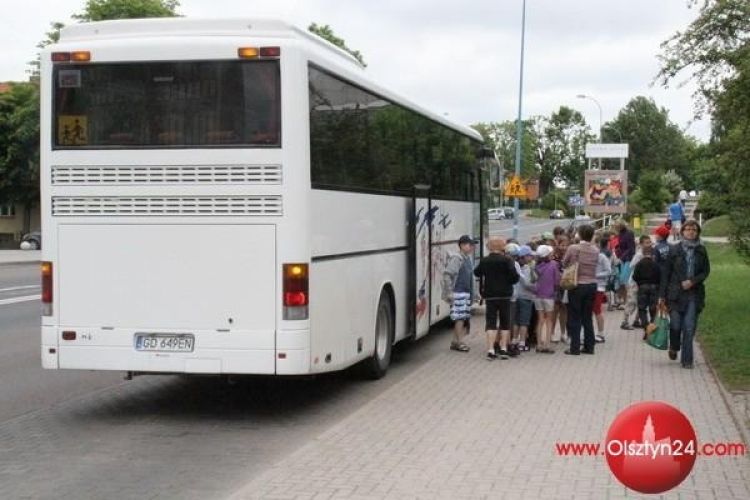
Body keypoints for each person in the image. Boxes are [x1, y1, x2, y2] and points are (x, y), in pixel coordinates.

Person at [659, 220, 711, 369]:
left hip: (694, 294)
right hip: (675, 294)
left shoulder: (701, 250)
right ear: (682, 232)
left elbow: (705, 271)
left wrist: (692, 281)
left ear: (697, 232)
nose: (690, 232)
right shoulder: (674, 250)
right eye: (687, 229)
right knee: (675, 324)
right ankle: (674, 347)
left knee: (689, 327)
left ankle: (687, 360)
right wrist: (661, 295)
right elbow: (666, 273)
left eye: (694, 230)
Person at [474, 237, 519, 361]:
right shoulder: (507, 260)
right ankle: (503, 348)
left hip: (490, 295)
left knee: (491, 322)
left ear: (490, 247)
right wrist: (507, 281)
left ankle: (490, 350)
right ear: (502, 247)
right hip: (505, 295)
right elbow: (515, 277)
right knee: (505, 322)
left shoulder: (485, 261)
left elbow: (477, 273)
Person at [562, 224, 599, 355]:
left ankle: (575, 347)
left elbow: (564, 263)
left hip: (577, 285)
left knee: (574, 316)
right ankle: (590, 346)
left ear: (580, 234)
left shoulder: (573, 248)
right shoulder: (595, 250)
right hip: (592, 285)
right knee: (587, 317)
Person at [442, 235, 476, 352]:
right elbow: (447, 274)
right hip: (458, 292)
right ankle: (458, 342)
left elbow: (470, 278)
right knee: (460, 318)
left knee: (462, 318)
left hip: (465, 293)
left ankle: (456, 341)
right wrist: (450, 291)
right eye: (469, 245)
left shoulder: (467, 259)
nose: (471, 247)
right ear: (461, 245)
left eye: (472, 245)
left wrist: (474, 293)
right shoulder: (457, 258)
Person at [621, 235, 652, 330]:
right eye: (646, 242)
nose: (649, 244)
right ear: (641, 244)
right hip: (635, 282)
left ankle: (636, 320)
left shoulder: (649, 253)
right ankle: (624, 322)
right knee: (632, 301)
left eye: (649, 242)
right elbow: (631, 265)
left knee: (642, 302)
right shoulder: (639, 255)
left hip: (644, 282)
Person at [533, 245, 559, 354]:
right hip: (549, 296)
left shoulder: (536, 266)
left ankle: (539, 344)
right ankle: (547, 344)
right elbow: (557, 280)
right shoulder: (553, 265)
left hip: (538, 295)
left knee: (540, 320)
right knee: (549, 320)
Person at [632, 246, 661, 340]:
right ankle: (651, 329)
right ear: (652, 254)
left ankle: (646, 327)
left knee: (642, 309)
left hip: (642, 288)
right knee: (653, 310)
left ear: (643, 253)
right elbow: (660, 277)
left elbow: (634, 276)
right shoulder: (656, 264)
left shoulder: (639, 264)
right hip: (654, 288)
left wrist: (640, 283)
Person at [514, 245, 536, 352]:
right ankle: (522, 343)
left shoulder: (515, 266)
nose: (531, 258)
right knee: (524, 322)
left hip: (516, 297)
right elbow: (527, 283)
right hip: (526, 297)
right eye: (529, 256)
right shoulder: (526, 268)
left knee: (516, 321)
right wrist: (535, 287)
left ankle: (514, 340)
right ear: (523, 256)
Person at [593, 235, 613, 343]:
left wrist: (596, 275)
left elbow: (608, 271)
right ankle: (591, 333)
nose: (594, 246)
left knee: (597, 310)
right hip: (590, 286)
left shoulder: (602, 257)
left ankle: (601, 334)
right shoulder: (590, 256)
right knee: (590, 310)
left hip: (599, 287)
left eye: (596, 244)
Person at [551, 235, 570, 343]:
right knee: (555, 310)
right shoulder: (554, 256)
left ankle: (563, 333)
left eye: (566, 245)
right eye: (562, 245)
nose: (564, 247)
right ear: (557, 244)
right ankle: (552, 332)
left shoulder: (570, 255)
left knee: (564, 310)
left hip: (566, 285)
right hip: (556, 286)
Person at [615, 221, 636, 314]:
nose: (616, 228)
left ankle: (628, 301)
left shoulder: (629, 233)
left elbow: (631, 248)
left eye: (617, 226)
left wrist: (622, 257)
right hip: (622, 259)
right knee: (621, 281)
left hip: (628, 259)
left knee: (625, 280)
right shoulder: (620, 234)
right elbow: (621, 246)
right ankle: (624, 301)